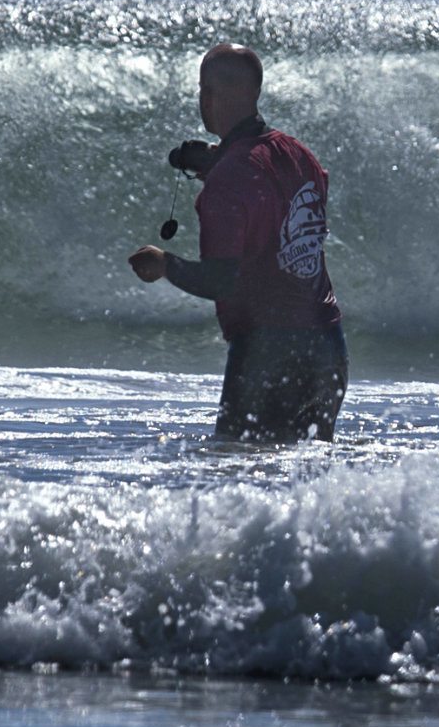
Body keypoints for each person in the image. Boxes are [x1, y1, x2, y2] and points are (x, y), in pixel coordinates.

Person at [128, 43, 347, 440]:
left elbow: (221, 282)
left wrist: (164, 264)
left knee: (236, 471)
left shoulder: (227, 182)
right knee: (311, 482)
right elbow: (274, 202)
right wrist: (220, 160)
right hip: (327, 348)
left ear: (209, 96)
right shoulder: (303, 157)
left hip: (268, 352)